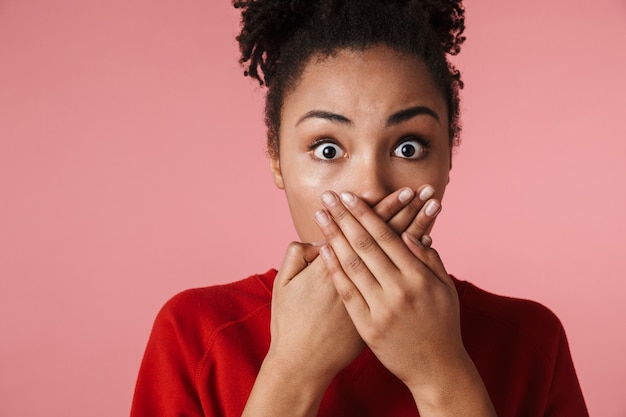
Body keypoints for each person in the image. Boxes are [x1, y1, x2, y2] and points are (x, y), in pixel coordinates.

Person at [130, 0, 589, 416]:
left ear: (448, 156)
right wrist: (293, 370)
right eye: (328, 149)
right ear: (276, 158)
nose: (369, 188)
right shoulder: (196, 334)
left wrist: (440, 373)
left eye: (408, 147)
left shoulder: (531, 342)